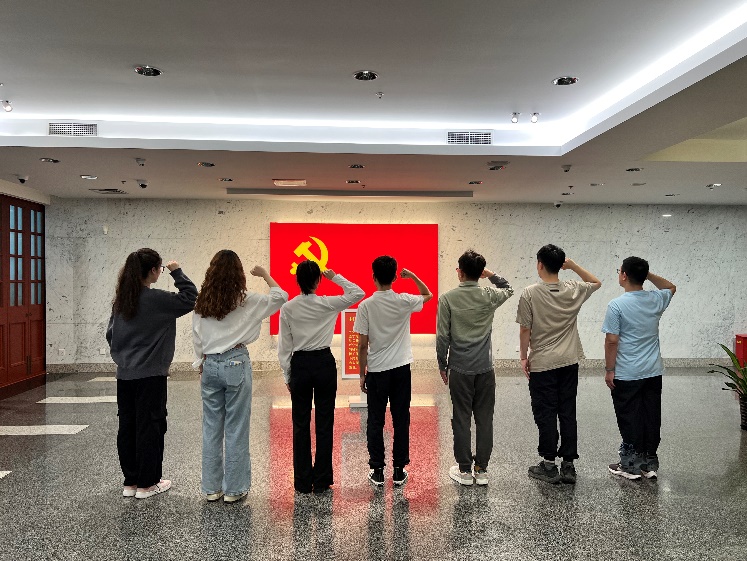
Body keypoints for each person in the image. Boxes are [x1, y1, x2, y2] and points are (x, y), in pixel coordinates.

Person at [192, 251, 287, 503]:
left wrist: (199, 361)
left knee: (211, 427)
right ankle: (234, 490)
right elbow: (281, 297)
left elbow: (197, 335)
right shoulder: (246, 300)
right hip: (235, 361)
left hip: (209, 363)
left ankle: (211, 488)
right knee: (236, 426)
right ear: (239, 273)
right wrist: (264, 274)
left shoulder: (203, 301)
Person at [106, 249, 197, 499]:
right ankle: (148, 484)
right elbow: (191, 297)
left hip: (125, 375)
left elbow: (110, 334)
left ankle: (131, 482)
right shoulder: (157, 299)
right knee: (151, 427)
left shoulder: (122, 300)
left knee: (128, 427)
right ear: (154, 271)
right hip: (151, 375)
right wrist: (177, 272)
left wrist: (124, 357)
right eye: (161, 269)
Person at [516, 245, 601, 484]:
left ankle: (549, 465)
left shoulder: (530, 293)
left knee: (545, 412)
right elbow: (596, 282)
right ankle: (569, 465)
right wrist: (573, 266)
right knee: (567, 411)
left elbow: (525, 329)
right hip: (569, 361)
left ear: (540, 264)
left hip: (543, 363)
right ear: (561, 265)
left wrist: (523, 356)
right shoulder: (573, 289)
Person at [278, 261, 365, 494]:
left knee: (300, 424)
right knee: (325, 422)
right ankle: (322, 479)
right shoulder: (328, 303)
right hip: (324, 363)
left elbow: (284, 347)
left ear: (297, 281)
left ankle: (302, 481)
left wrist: (287, 374)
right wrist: (335, 277)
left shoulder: (288, 308)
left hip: (300, 364)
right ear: (318, 280)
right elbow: (358, 292)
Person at [436, 250, 513, 486]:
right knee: (484, 419)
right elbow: (508, 288)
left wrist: (442, 364)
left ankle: (464, 470)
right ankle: (481, 469)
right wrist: (489, 274)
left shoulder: (447, 299)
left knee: (461, 418)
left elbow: (443, 336)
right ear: (480, 273)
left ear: (459, 272)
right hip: (485, 369)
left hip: (459, 368)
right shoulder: (489, 295)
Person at [354, 256, 432, 487]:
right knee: (401, 419)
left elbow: (362, 345)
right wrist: (414, 276)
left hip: (377, 370)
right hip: (401, 369)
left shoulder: (366, 306)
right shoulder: (404, 300)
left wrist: (362, 373)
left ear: (373, 276)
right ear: (395, 276)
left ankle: (377, 470)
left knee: (375, 420)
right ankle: (399, 470)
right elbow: (427, 295)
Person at [603, 256, 675, 480]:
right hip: (652, 371)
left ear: (624, 275)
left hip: (627, 373)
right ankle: (649, 463)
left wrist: (609, 369)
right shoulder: (655, 299)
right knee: (651, 416)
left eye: (619, 271)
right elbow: (671, 287)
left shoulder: (616, 305)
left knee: (629, 417)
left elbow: (612, 341)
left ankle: (630, 466)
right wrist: (647, 274)